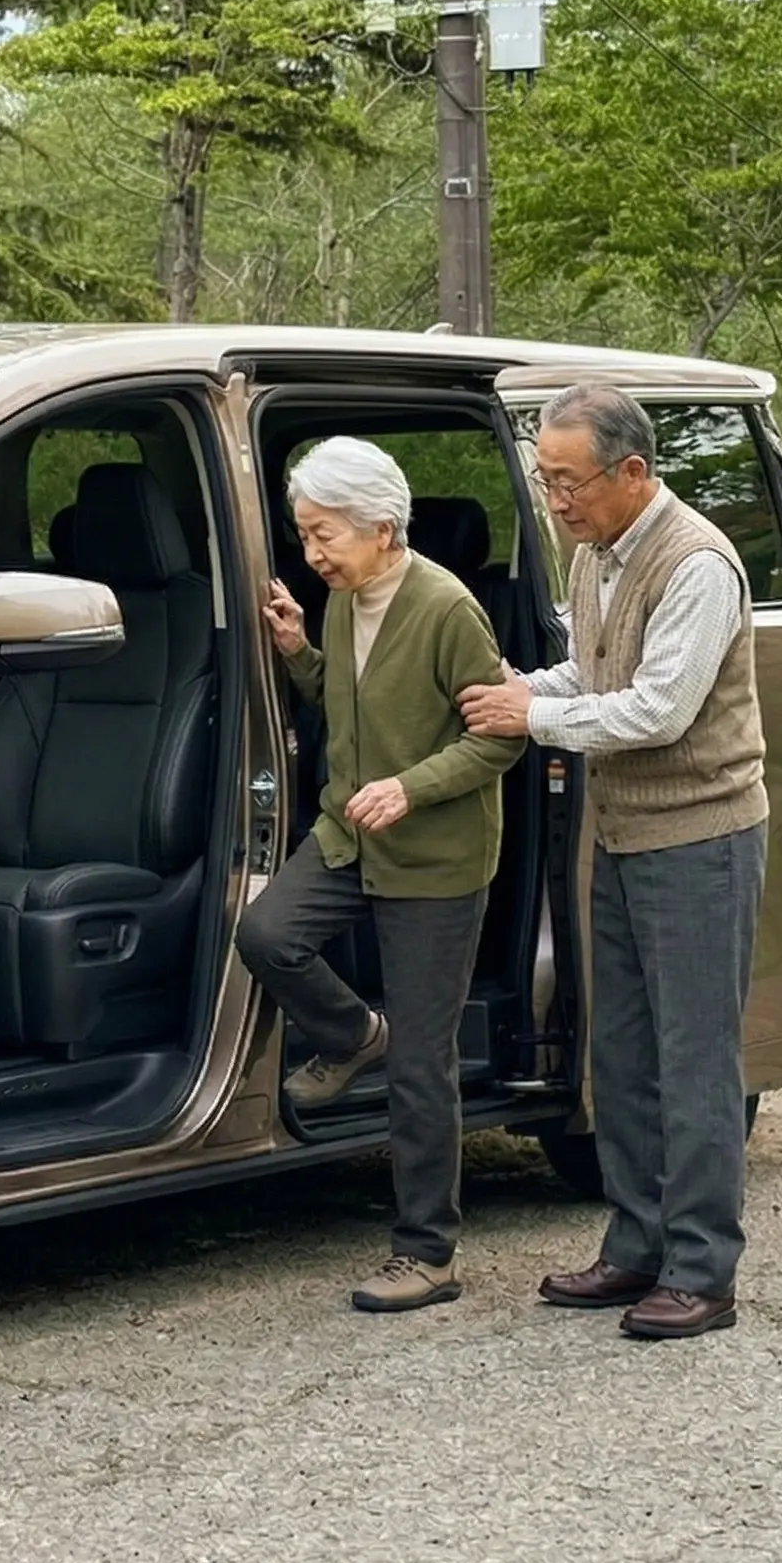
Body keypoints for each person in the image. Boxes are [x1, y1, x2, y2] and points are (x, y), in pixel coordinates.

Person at [458, 383, 768, 1342]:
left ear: (632, 471)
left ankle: (702, 1270)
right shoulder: (596, 554)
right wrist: (516, 685)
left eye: (566, 481)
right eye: (545, 480)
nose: (554, 500)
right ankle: (636, 1244)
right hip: (625, 833)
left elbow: (658, 710)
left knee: (695, 1059)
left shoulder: (697, 563)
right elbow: (598, 676)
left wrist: (534, 718)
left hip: (701, 839)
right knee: (621, 1053)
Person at [238, 437, 524, 1314]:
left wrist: (409, 788)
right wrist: (297, 654)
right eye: (306, 534)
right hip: (348, 831)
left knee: (423, 1066)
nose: (312, 553)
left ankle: (426, 1253)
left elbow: (502, 736)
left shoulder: (446, 608)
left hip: (434, 856)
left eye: (324, 535)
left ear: (384, 529)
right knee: (266, 934)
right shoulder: (339, 598)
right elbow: (353, 704)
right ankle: (357, 1032)